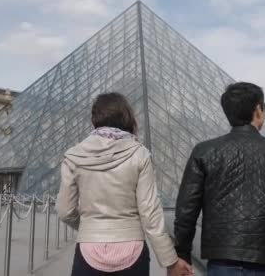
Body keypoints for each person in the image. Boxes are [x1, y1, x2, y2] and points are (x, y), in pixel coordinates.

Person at [174, 82, 265, 276]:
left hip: (222, 262)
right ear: (258, 110)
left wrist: (182, 255)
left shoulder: (203, 152)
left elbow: (186, 212)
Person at [57, 93, 193, 276]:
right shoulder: (140, 154)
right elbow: (150, 215)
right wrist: (170, 261)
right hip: (133, 250)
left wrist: (90, 227)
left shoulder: (74, 155)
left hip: (88, 250)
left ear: (94, 119)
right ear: (127, 118)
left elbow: (65, 210)